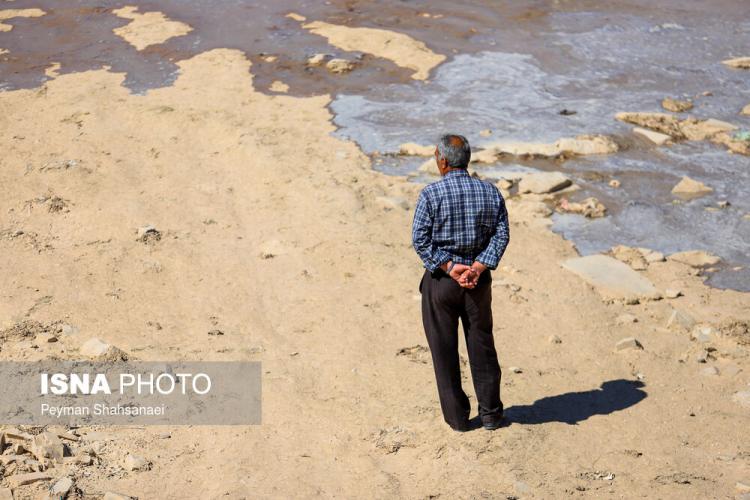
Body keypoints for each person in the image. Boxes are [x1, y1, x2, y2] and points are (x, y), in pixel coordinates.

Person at [411, 134, 510, 432]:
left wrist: (451, 267)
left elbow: (420, 239)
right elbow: (501, 234)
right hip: (477, 284)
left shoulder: (431, 194)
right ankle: (491, 414)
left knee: (443, 349)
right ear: (467, 159)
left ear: (442, 161)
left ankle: (457, 418)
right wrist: (478, 266)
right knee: (482, 344)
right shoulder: (490, 192)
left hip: (442, 282)